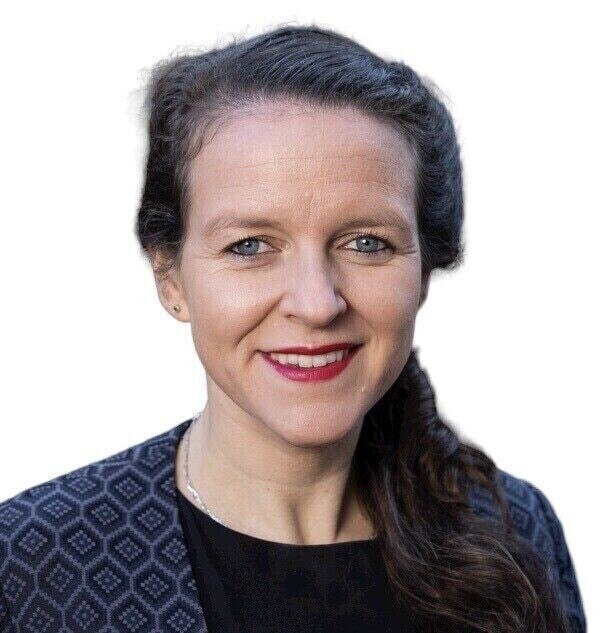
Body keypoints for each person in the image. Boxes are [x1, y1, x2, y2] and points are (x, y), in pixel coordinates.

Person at [0, 24, 586, 633]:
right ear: (170, 277)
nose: (316, 304)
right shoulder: (29, 566)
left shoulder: (518, 532)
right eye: (250, 245)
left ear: (423, 272)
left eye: (367, 243)